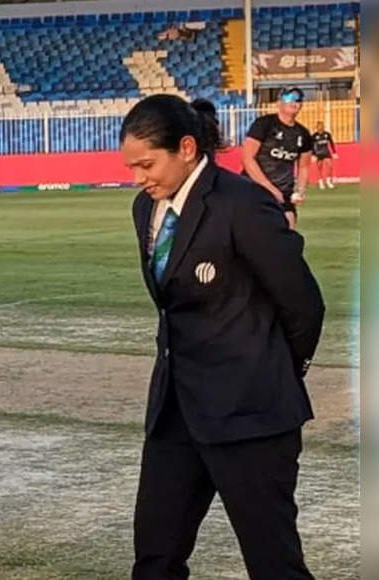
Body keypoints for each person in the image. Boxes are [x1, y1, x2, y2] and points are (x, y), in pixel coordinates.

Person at [121, 94, 324, 579]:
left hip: (250, 416)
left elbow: (303, 304)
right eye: (131, 167)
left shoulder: (242, 204)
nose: (138, 178)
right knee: (155, 559)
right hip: (175, 415)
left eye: (147, 164)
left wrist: (273, 372)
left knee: (274, 565)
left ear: (186, 148)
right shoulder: (145, 209)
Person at [241, 87, 313, 229]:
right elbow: (247, 158)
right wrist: (270, 188)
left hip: (283, 193)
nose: (294, 102)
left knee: (287, 229)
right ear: (279, 103)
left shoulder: (303, 134)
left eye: (298, 100)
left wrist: (300, 190)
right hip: (253, 188)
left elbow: (304, 166)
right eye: (289, 98)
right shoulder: (264, 124)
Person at [311, 121, 338, 189]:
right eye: (319, 126)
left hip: (326, 153)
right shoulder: (314, 135)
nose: (321, 127)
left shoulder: (327, 134)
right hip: (319, 153)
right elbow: (311, 146)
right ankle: (321, 182)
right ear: (317, 127)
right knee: (319, 167)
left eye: (322, 126)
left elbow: (331, 143)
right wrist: (313, 154)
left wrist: (334, 152)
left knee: (330, 166)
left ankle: (328, 181)